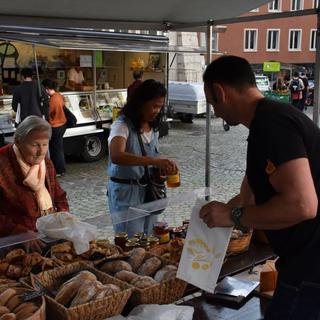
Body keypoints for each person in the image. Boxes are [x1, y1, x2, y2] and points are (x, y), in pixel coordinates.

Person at [200, 55, 320, 319]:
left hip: (311, 268)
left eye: (212, 103)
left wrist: (233, 216)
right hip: (301, 264)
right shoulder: (267, 122)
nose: (215, 111)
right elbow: (251, 194)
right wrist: (226, 210)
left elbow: (302, 205)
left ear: (220, 92)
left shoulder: (271, 124)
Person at [107, 79, 178, 236]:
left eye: (160, 107)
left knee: (150, 237)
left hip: (148, 191)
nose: (157, 111)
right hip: (126, 193)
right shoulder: (122, 125)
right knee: (131, 239)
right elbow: (117, 155)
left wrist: (162, 166)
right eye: (154, 106)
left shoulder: (153, 128)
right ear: (141, 102)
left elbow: (152, 153)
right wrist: (154, 161)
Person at [0, 116, 69, 237]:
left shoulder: (46, 163)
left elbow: (59, 196)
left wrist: (63, 215)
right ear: (17, 141)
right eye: (35, 145)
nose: (41, 151)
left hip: (46, 235)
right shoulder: (3, 162)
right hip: (13, 242)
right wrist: (19, 232)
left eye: (45, 144)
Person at [42, 79, 67, 176]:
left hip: (56, 126)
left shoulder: (52, 100)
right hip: (62, 124)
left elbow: (48, 113)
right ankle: (60, 169)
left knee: (55, 149)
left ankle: (59, 170)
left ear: (47, 88)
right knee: (58, 147)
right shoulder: (59, 95)